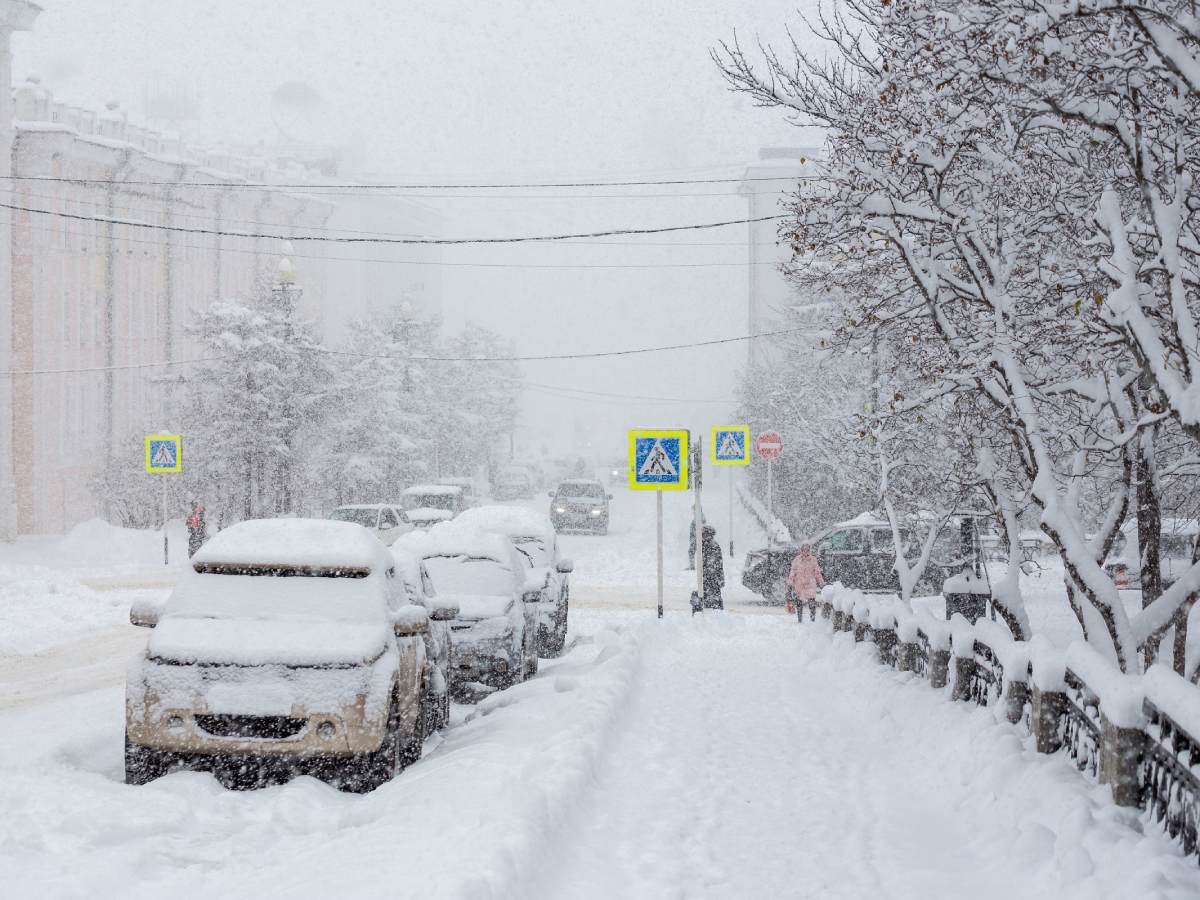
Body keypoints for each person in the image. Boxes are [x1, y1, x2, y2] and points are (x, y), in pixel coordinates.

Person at [787, 542, 825, 619]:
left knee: (811, 601)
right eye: (804, 550)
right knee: (799, 601)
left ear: (809, 550)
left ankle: (812, 618)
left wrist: (821, 582)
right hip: (799, 583)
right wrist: (790, 582)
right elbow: (793, 571)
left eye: (807, 550)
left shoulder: (813, 560)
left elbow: (817, 572)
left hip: (810, 583)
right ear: (801, 550)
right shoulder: (797, 559)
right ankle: (799, 617)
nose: (805, 551)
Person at [700, 524, 725, 610]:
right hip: (711, 577)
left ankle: (714, 609)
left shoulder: (711, 546)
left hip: (711, 577)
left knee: (713, 597)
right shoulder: (707, 545)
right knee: (713, 595)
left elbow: (713, 564)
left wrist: (706, 574)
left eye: (703, 534)